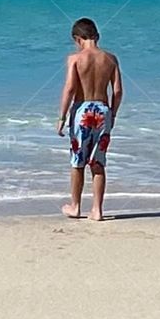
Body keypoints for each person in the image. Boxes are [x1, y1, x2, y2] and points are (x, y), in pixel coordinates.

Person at [57, 18, 122, 222]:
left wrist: (62, 117)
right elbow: (118, 91)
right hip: (103, 110)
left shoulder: (75, 59)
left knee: (77, 161)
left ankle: (75, 206)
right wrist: (113, 113)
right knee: (97, 162)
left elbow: (69, 89)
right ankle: (97, 210)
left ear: (78, 39)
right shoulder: (111, 59)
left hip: (82, 112)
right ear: (97, 36)